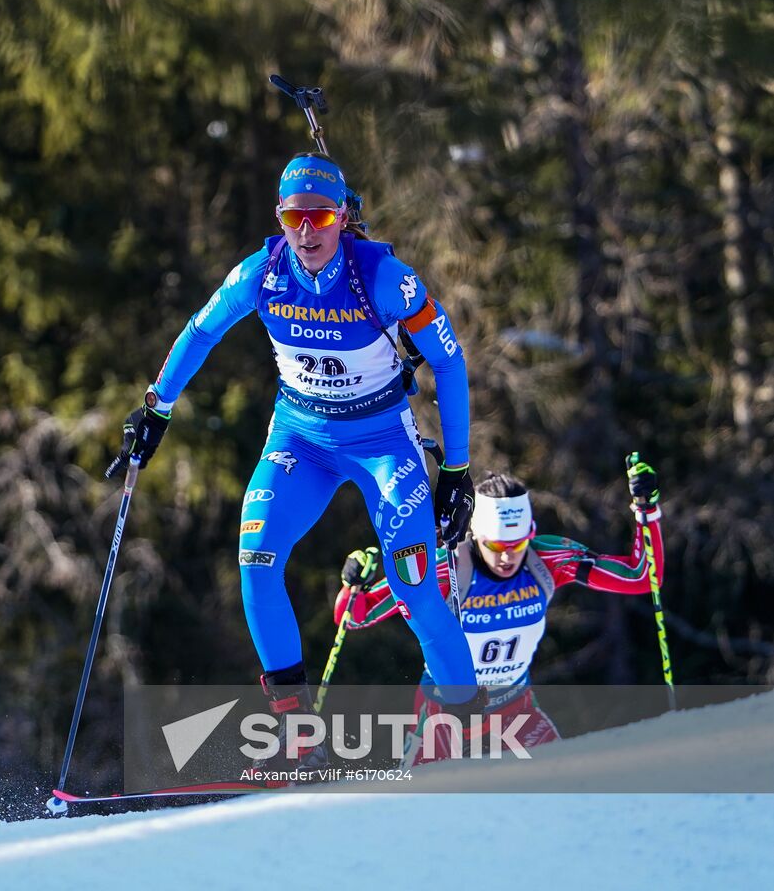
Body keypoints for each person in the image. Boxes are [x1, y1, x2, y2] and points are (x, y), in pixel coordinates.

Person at [107, 151, 481, 779]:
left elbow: (450, 363)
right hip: (301, 439)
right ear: (280, 219)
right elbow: (200, 331)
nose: (307, 231)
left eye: (321, 215)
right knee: (255, 559)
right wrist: (157, 408)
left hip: (384, 443)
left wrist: (457, 470)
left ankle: (471, 729)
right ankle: (298, 739)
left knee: (413, 585)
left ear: (344, 219)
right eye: (293, 216)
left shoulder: (384, 279)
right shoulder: (262, 273)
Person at [333, 457, 665, 764]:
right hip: (446, 714)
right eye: (495, 546)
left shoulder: (544, 561)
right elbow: (354, 616)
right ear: (476, 535)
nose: (507, 558)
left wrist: (646, 512)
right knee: (429, 809)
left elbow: (641, 577)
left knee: (564, 788)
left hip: (515, 708)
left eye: (517, 545)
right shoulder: (448, 568)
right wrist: (354, 583)